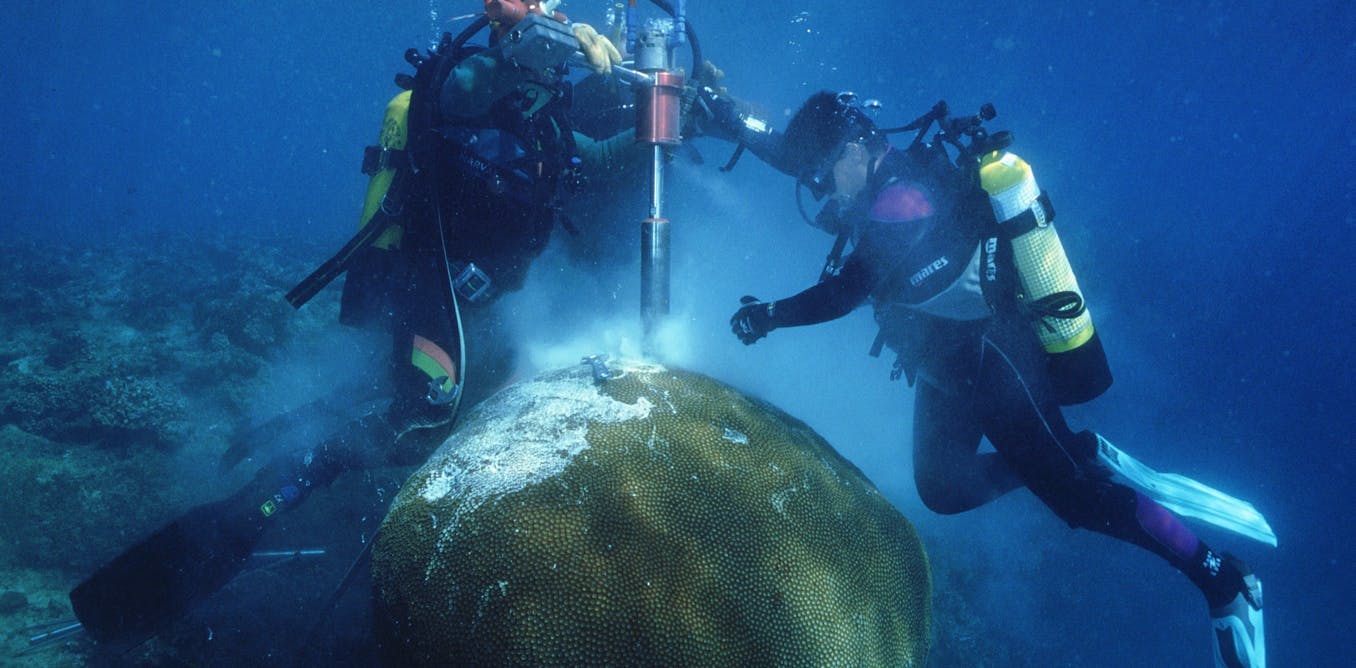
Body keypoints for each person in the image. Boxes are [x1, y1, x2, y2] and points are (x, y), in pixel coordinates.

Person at [68, 1, 629, 647]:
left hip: (470, 302)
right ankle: (272, 492)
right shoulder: (473, 77)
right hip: (426, 290)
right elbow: (464, 93)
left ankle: (293, 424)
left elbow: (597, 157)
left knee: (433, 392)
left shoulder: (541, 113)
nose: (561, 19)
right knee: (425, 412)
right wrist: (523, 48)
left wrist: (675, 120)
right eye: (547, 11)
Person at [725, 91, 1266, 668]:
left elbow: (842, 293)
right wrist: (724, 120)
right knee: (943, 487)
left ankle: (1224, 583)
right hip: (944, 361)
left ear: (857, 148)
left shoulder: (903, 201)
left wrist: (768, 315)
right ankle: (1080, 449)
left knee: (1079, 502)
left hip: (994, 358)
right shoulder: (874, 179)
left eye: (824, 173)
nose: (822, 190)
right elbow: (790, 157)